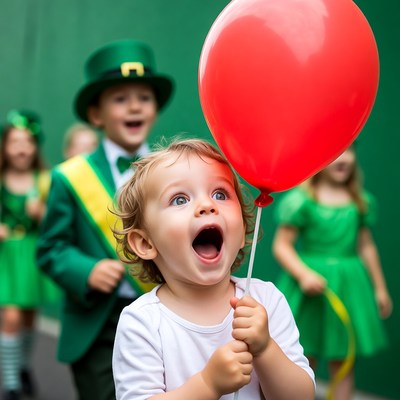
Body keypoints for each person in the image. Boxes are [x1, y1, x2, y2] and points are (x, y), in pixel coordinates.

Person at [112, 138, 315, 400]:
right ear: (145, 242)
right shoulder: (142, 322)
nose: (208, 206)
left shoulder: (265, 301)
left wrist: (265, 349)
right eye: (179, 199)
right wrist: (207, 385)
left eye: (220, 194)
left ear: (242, 230)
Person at [36, 39, 174, 400]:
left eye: (144, 97)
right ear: (96, 115)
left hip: (164, 312)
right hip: (99, 322)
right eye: (119, 99)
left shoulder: (172, 170)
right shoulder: (70, 177)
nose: (134, 106)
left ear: (155, 109)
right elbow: (50, 248)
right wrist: (85, 270)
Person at [272, 145, 392, 400]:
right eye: (336, 151)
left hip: (349, 286)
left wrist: (380, 288)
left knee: (343, 360)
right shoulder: (303, 201)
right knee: (305, 355)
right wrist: (303, 274)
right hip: (312, 290)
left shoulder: (360, 201)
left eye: (349, 151)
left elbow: (367, 247)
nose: (343, 159)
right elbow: (281, 246)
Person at [0, 109, 59, 400]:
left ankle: (22, 366)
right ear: (5, 146)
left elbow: (59, 219)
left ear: (35, 146)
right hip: (7, 256)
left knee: (27, 318)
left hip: (32, 255)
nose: (21, 148)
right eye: (14, 141)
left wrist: (42, 213)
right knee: (10, 316)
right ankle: (10, 382)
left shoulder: (45, 180)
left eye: (27, 141)